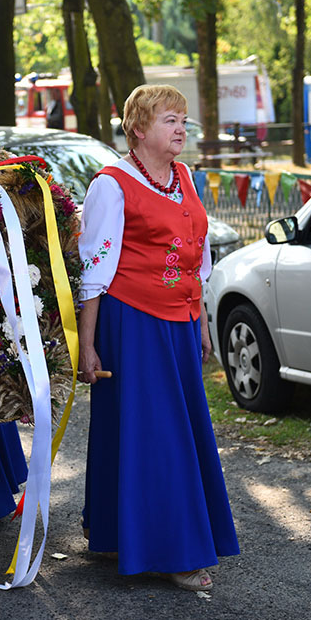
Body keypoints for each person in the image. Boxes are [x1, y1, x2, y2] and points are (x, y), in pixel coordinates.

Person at [77, 84, 239, 592]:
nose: (181, 129)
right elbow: (93, 272)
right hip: (134, 324)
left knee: (174, 432)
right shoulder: (112, 185)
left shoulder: (185, 176)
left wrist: (204, 321)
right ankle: (172, 550)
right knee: (156, 437)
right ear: (139, 128)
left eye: (184, 121)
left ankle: (119, 533)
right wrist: (87, 344)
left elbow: (199, 256)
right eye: (171, 120)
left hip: (180, 320)